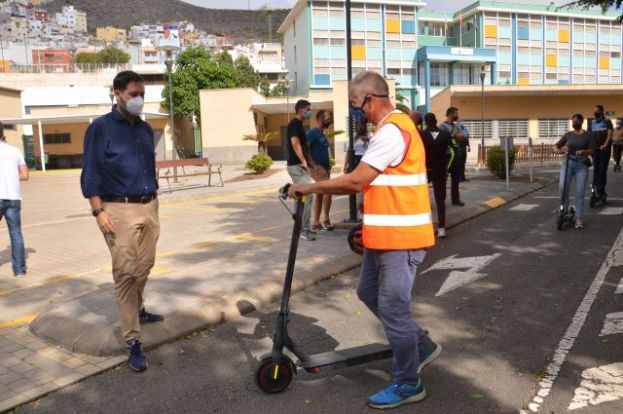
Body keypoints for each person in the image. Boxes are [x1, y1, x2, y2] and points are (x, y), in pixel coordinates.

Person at [289, 71, 441, 409]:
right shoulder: (391, 129)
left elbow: (357, 182)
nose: (359, 115)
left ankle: (407, 383)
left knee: (393, 309)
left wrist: (309, 186)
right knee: (366, 291)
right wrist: (364, 228)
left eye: (358, 107)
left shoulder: (393, 131)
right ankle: (422, 346)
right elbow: (380, 187)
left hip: (401, 238)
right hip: (382, 235)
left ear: (371, 100)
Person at [81, 71, 164, 373]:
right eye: (133, 94)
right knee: (126, 274)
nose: (139, 99)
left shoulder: (144, 128)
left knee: (146, 265)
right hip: (117, 209)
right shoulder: (101, 128)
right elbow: (90, 172)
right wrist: (98, 211)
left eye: (142, 94)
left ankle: (138, 310)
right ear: (117, 93)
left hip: (149, 205)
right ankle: (133, 341)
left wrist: (154, 201)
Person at [553, 114, 593, 229]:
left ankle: (579, 218)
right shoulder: (568, 135)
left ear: (581, 122)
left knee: (579, 192)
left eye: (576, 121)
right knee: (562, 186)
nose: (574, 123)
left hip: (582, 165)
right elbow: (556, 146)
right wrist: (558, 150)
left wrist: (583, 152)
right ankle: (564, 210)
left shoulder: (587, 135)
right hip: (568, 163)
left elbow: (592, 150)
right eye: (573, 121)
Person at [0, 123, 29, 277]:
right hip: (14, 198)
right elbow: (25, 175)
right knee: (16, 233)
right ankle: (19, 270)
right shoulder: (15, 151)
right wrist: (11, 176)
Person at [420, 113, 453, 239]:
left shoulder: (421, 135)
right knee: (440, 200)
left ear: (426, 122)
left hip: (425, 171)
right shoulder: (445, 135)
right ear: (436, 120)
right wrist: (447, 168)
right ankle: (441, 228)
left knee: (421, 199)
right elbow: (453, 152)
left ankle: (423, 228)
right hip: (440, 171)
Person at [287, 99, 315, 241]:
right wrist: (303, 161)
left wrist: (309, 163)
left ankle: (299, 227)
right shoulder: (294, 125)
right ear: (300, 110)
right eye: (308, 109)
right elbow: (295, 143)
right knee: (308, 193)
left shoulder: (299, 125)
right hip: (296, 166)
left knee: (300, 196)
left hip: (301, 166)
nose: (309, 111)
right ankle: (304, 229)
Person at [307, 110, 334, 231]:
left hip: (325, 168)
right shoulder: (312, 133)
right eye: (327, 118)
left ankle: (316, 222)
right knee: (328, 190)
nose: (329, 120)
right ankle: (326, 220)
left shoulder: (322, 134)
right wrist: (314, 165)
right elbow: (304, 149)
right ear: (319, 118)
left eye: (330, 118)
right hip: (318, 168)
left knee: (319, 194)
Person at [439, 107, 465, 206]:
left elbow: (462, 136)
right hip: (447, 156)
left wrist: (453, 136)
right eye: (455, 114)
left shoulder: (456, 125)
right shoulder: (442, 126)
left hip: (456, 155)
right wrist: (455, 136)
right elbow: (443, 138)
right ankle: (442, 199)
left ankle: (456, 200)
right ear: (450, 114)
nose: (457, 116)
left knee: (455, 179)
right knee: (443, 179)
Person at [589, 104, 613, 202]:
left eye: (597, 111)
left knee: (602, 170)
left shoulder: (607, 121)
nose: (595, 112)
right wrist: (589, 147)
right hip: (595, 149)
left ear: (602, 111)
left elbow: (610, 134)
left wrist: (606, 144)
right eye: (594, 111)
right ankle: (595, 190)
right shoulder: (592, 122)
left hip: (604, 150)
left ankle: (601, 191)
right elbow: (589, 135)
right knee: (596, 169)